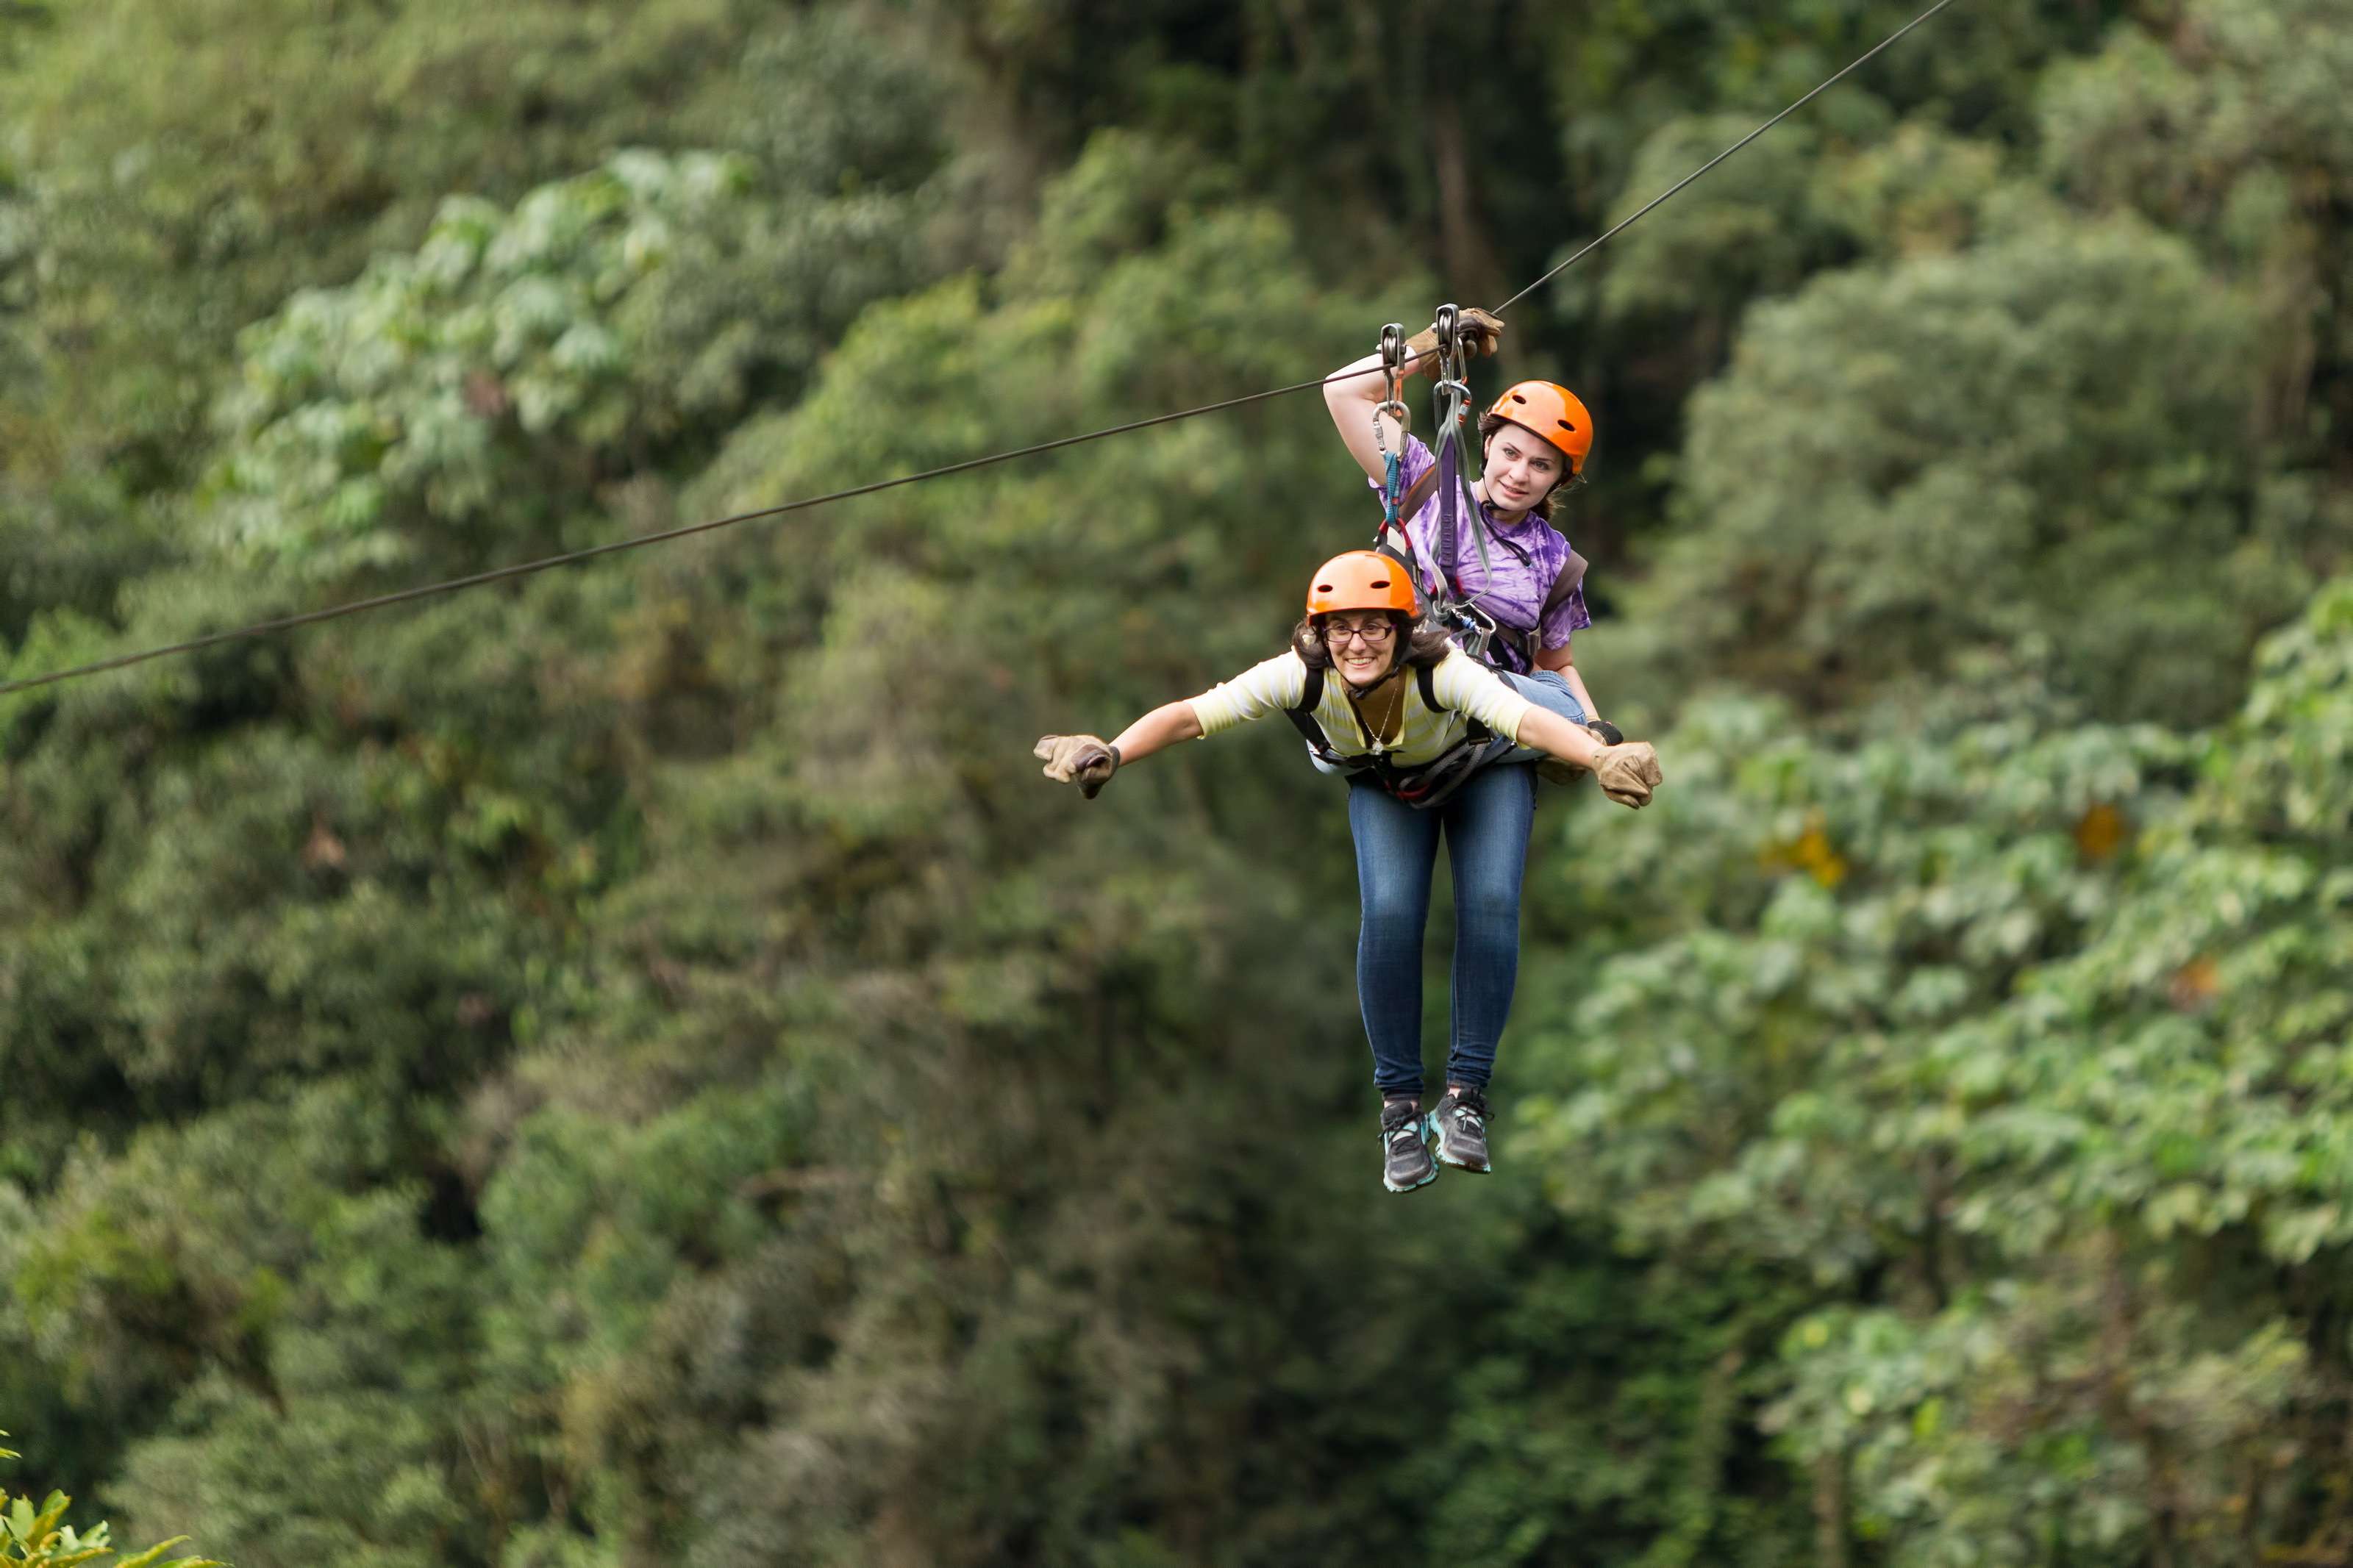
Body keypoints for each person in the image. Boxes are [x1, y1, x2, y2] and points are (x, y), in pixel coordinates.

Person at [1033, 551, 1662, 1194]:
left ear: (1402, 629)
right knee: (1389, 914)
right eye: (1340, 628)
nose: (1357, 644)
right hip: (1388, 783)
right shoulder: (1299, 674)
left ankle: (1465, 1099)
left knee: (1491, 903)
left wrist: (1597, 758)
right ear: (1319, 632)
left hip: (1486, 766)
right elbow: (1194, 715)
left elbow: (1523, 719)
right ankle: (1400, 1114)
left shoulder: (1442, 669)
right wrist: (1114, 750)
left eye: (1374, 627)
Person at [1324, 307, 1607, 759]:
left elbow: (1556, 666)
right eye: (1511, 453)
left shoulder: (1554, 558)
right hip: (1408, 705)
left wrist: (1594, 732)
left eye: (1540, 465)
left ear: (1560, 478)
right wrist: (1425, 347)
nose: (1519, 474)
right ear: (1489, 444)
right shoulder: (1424, 485)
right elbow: (1343, 391)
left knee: (1560, 711)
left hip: (1493, 728)